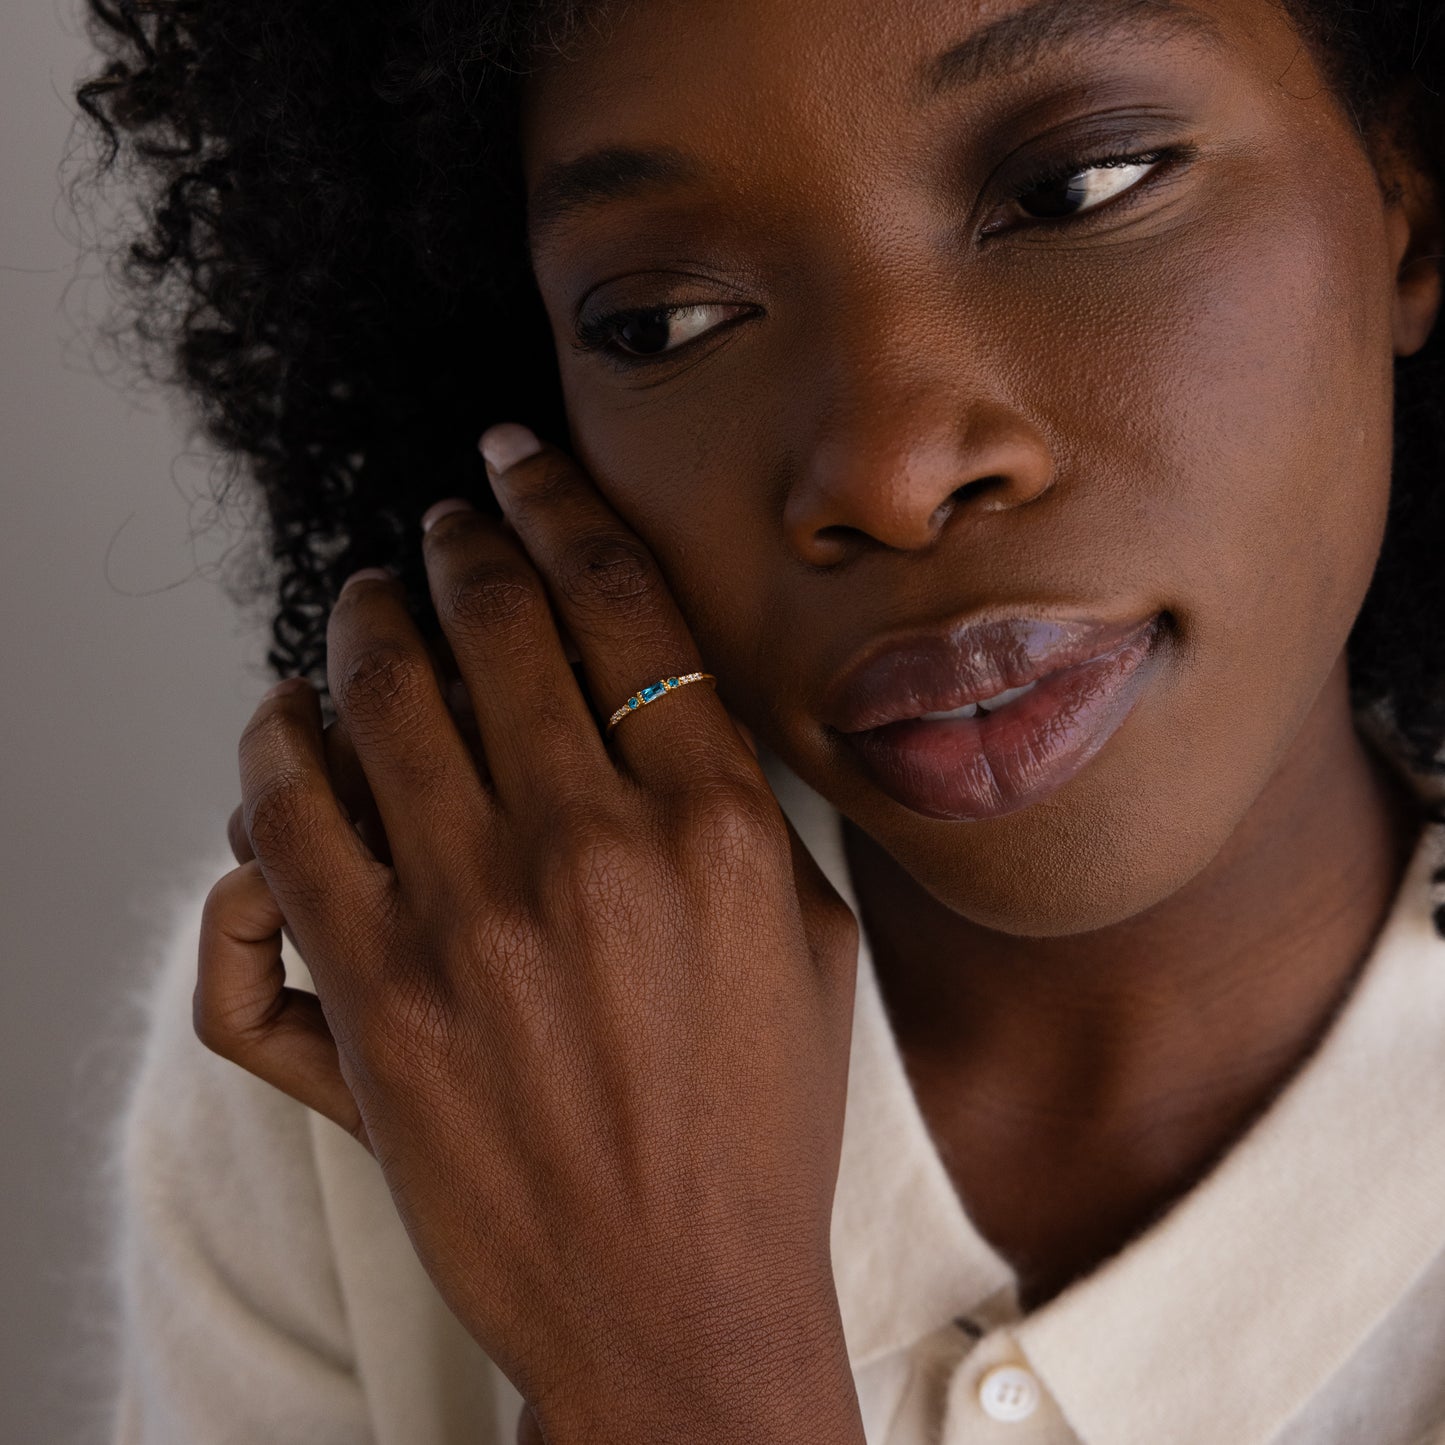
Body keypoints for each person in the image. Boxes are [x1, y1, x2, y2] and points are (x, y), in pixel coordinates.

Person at [75, 0, 1445, 1440]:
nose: (891, 473)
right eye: (661, 322)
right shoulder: (406, 1014)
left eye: (1075, 189)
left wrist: (680, 1370)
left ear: (1404, 205)